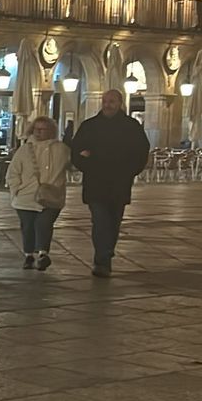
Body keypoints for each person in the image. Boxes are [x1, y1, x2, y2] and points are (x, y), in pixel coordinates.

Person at [71, 89, 151, 278]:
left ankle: (106, 251)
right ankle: (102, 260)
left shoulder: (131, 126)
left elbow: (142, 152)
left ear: (120, 103)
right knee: (100, 221)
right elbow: (75, 150)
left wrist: (131, 171)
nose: (107, 105)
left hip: (120, 183)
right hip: (96, 182)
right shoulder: (89, 126)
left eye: (112, 101)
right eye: (105, 101)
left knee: (114, 222)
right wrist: (86, 164)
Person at [9, 116, 72, 270]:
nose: (39, 132)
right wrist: (16, 189)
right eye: (36, 129)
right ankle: (29, 255)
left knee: (44, 223)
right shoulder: (24, 150)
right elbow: (13, 172)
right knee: (28, 226)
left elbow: (73, 165)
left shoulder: (62, 149)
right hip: (26, 196)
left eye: (43, 129)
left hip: (52, 196)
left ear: (51, 131)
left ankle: (43, 253)